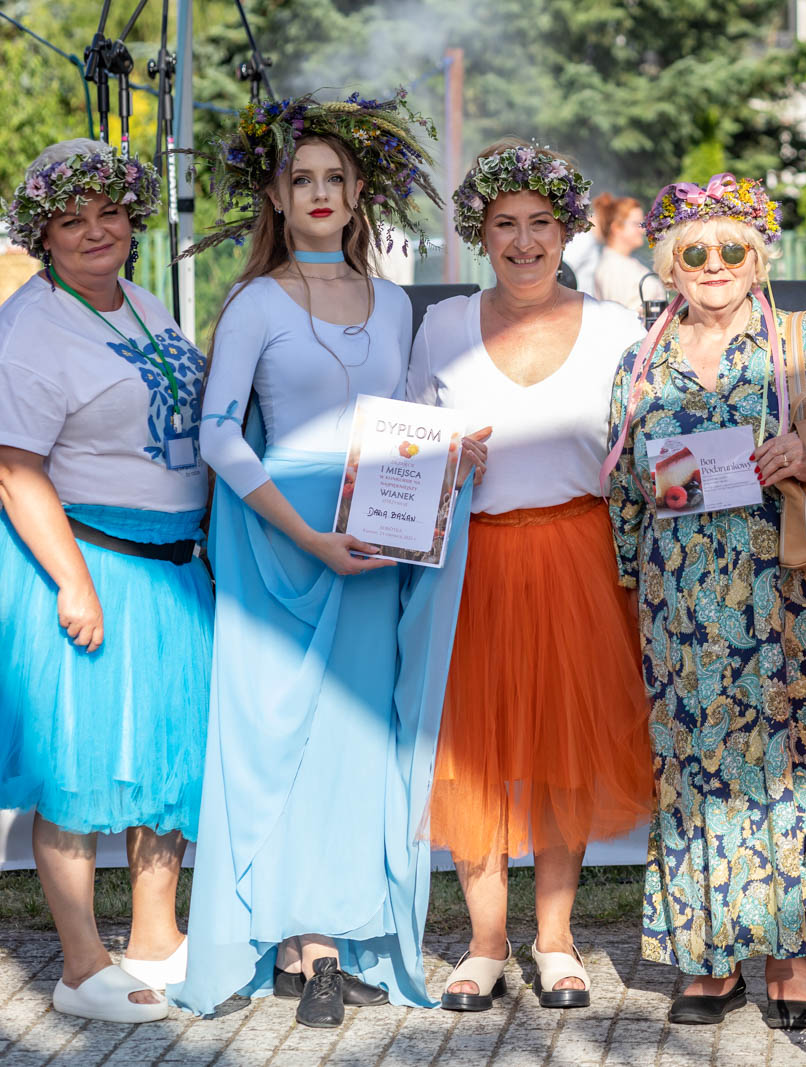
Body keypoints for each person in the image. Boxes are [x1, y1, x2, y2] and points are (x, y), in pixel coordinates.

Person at [170, 92, 483, 1028]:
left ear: (357, 196)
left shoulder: (392, 302)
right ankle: (301, 945)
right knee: (280, 742)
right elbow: (219, 434)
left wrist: (450, 457)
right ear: (275, 194)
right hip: (283, 544)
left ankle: (333, 939)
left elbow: (405, 420)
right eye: (301, 177)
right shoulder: (255, 302)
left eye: (334, 179)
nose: (318, 192)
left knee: (353, 740)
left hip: (375, 540)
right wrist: (304, 535)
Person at [602, 173, 806, 1030]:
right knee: (696, 771)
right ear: (669, 265)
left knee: (795, 767)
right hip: (682, 605)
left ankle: (794, 955)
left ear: (758, 259)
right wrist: (633, 578)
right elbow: (621, 491)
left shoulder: (800, 341)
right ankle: (711, 960)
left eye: (732, 248)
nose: (714, 264)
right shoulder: (640, 362)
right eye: (695, 252)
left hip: (789, 594)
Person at [413, 139, 652, 1012]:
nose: (523, 242)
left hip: (578, 558)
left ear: (567, 229)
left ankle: (554, 939)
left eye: (540, 223)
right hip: (472, 561)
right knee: (470, 755)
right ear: (480, 234)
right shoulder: (442, 326)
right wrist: (442, 458)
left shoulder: (618, 329)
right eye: (505, 224)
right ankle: (484, 943)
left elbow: (647, 449)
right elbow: (405, 448)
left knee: (562, 753)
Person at [0, 140, 208, 1023]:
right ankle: (82, 966)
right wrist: (73, 580)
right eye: (71, 218)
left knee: (164, 753)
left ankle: (156, 938)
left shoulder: (141, 300)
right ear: (43, 233)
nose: (95, 230)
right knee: (80, 762)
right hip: (89, 560)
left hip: (169, 569)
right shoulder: (31, 326)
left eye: (109, 212)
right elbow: (13, 467)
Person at [590, 192, 650, 318]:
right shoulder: (613, 268)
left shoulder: (622, 262)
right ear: (616, 228)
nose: (643, 230)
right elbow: (618, 319)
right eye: (636, 224)